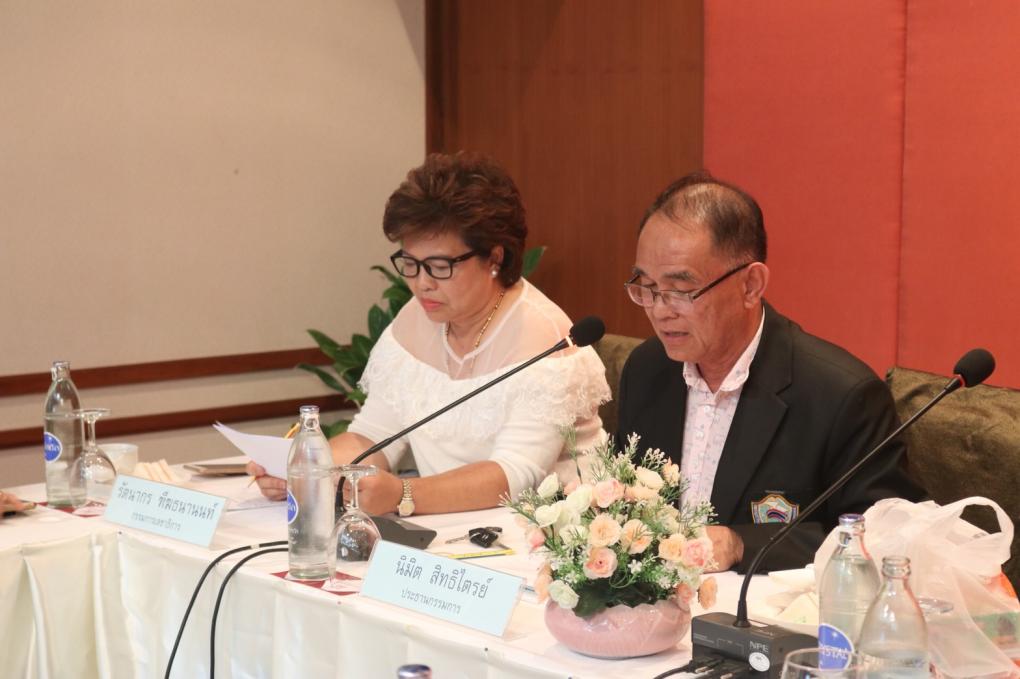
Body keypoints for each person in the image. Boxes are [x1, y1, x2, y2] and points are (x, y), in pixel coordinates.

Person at [251, 152, 609, 515]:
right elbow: (371, 437)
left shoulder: (545, 336)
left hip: (551, 530)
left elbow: (517, 474)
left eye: (439, 266)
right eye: (410, 263)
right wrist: (307, 470)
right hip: (449, 528)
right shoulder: (416, 318)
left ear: (494, 258)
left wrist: (403, 494)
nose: (422, 283)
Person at [616, 171, 923, 573]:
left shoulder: (840, 395)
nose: (659, 309)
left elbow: (886, 539)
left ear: (751, 285)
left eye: (681, 290)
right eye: (647, 287)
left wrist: (740, 543)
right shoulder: (648, 369)